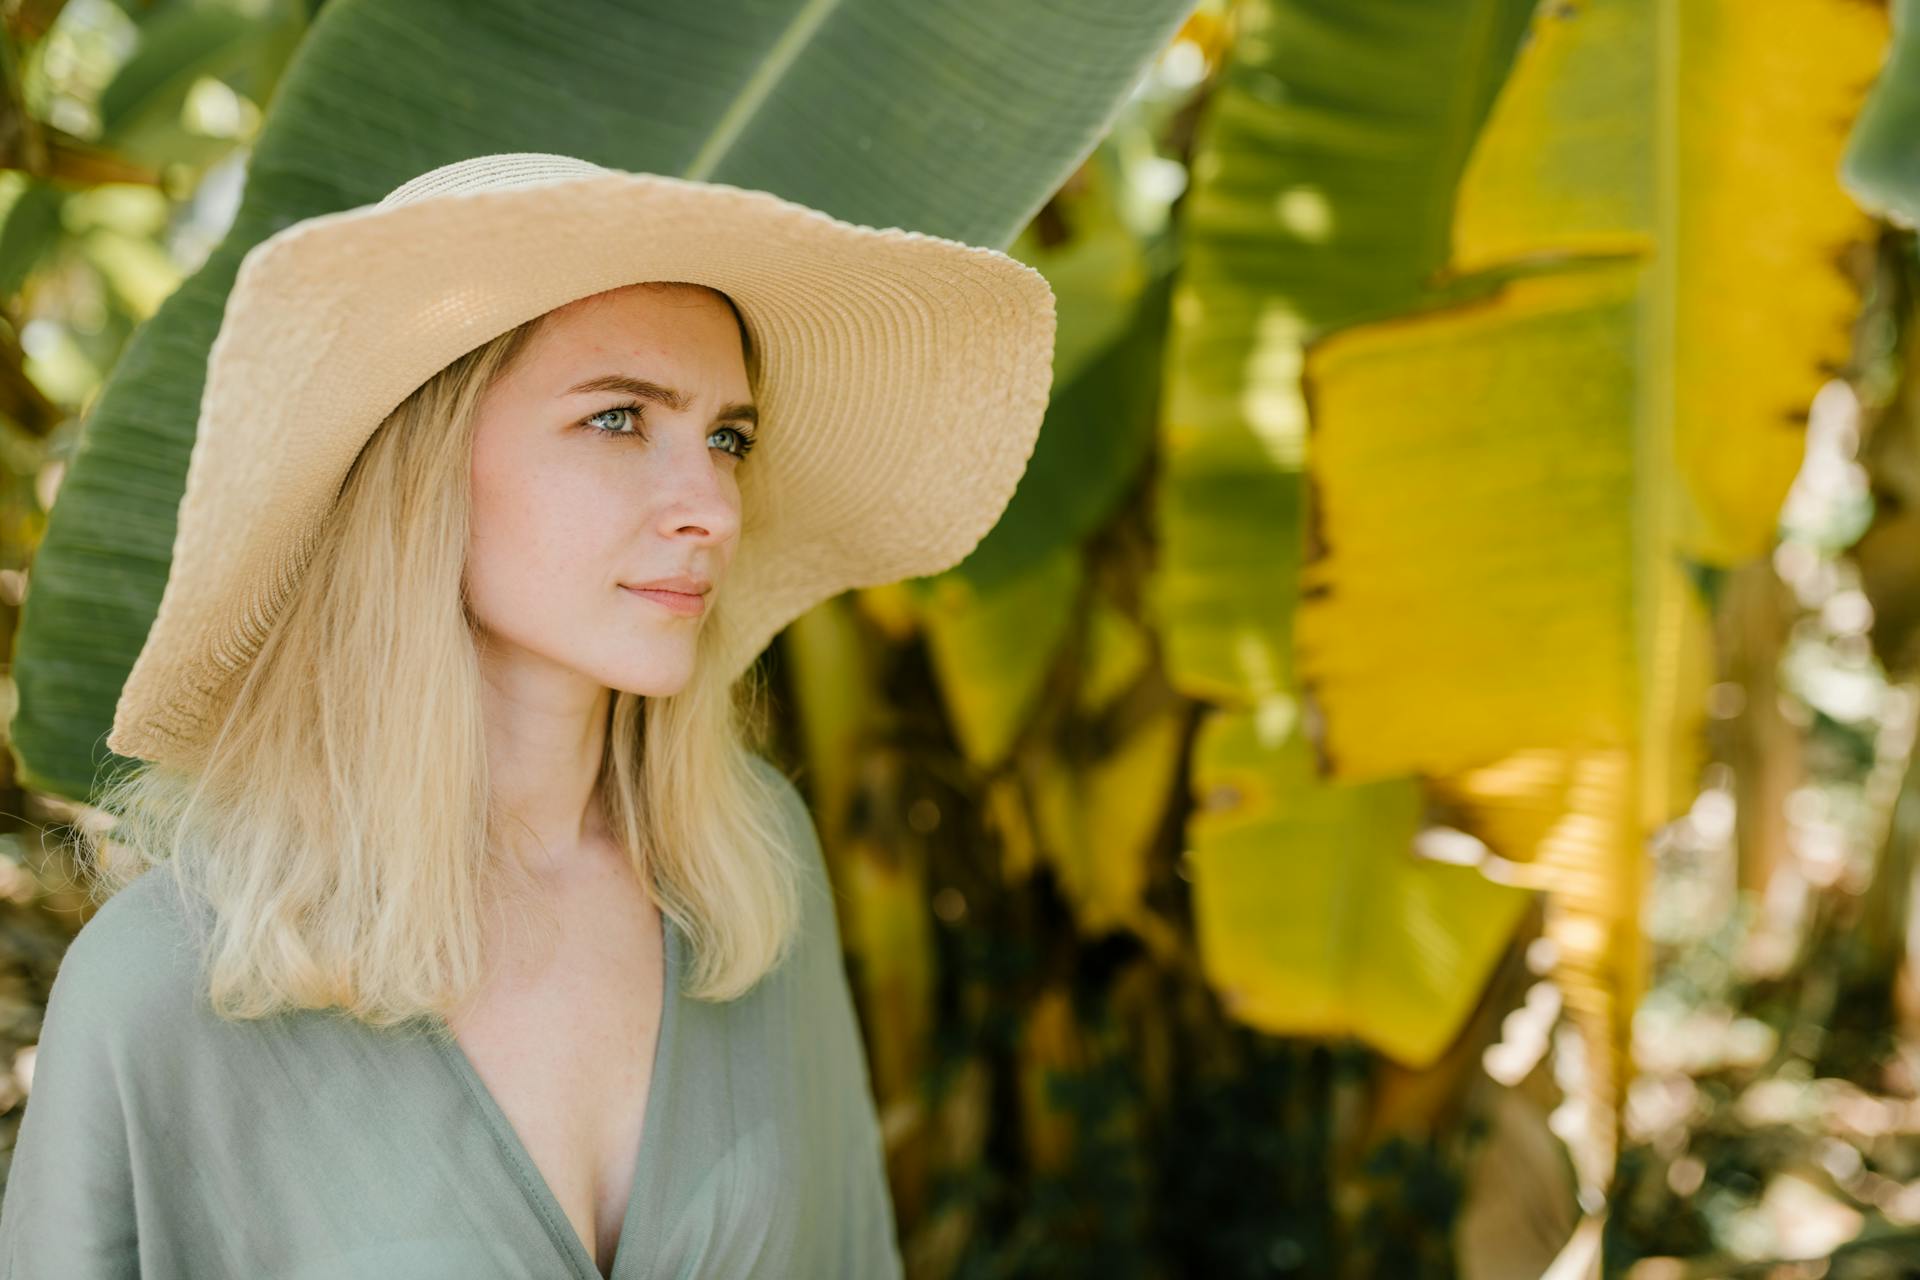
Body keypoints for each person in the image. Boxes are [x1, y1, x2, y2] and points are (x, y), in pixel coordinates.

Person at [0, 153, 1056, 1279]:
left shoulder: (746, 875)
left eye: (729, 439)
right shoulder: (174, 981)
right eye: (616, 419)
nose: (707, 503)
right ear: (427, 467)